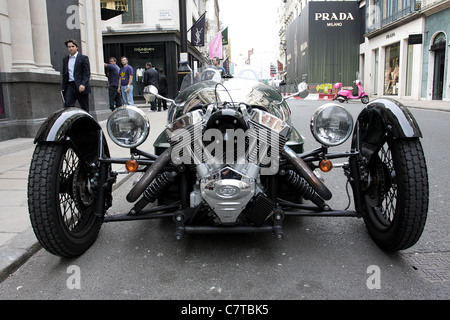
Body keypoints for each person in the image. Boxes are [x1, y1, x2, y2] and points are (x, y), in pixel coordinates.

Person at [61, 39, 91, 112]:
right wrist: (63, 87)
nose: (71, 48)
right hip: (69, 86)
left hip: (80, 85)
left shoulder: (83, 58)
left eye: (72, 46)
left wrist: (83, 84)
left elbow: (86, 73)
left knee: (84, 107)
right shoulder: (65, 59)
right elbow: (65, 74)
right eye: (69, 47)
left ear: (77, 47)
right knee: (68, 106)